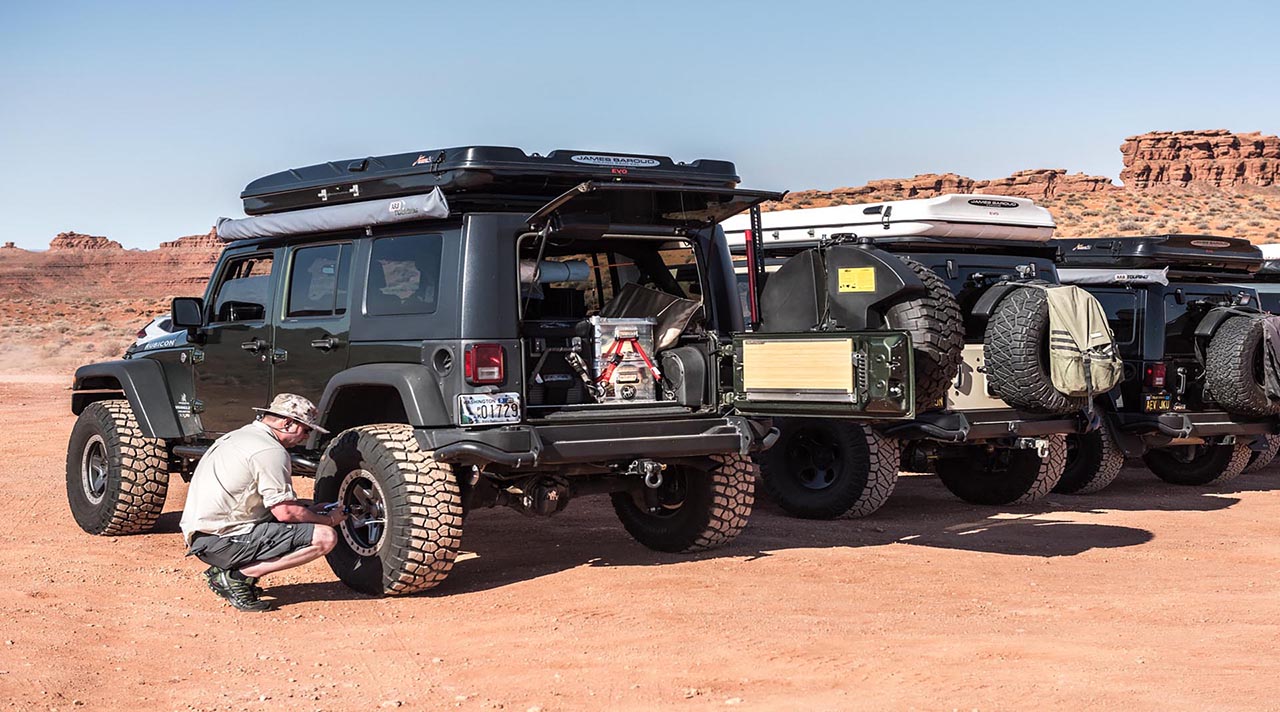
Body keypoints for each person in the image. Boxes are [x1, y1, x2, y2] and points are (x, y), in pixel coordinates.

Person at [180, 393, 345, 612]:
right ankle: (238, 576)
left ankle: (230, 570)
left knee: (303, 515)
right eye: (306, 430)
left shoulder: (240, 436)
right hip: (221, 540)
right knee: (324, 537)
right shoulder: (271, 451)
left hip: (206, 534)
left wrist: (308, 510)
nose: (306, 437)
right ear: (287, 423)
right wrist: (329, 518)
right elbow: (286, 513)